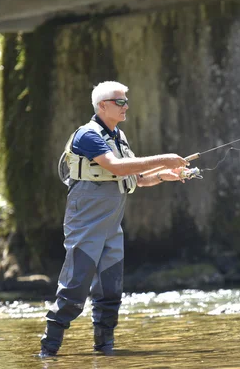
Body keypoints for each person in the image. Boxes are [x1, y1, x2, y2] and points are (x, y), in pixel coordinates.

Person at [39, 81, 190, 357]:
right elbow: (116, 166)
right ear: (102, 106)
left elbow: (134, 178)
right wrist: (166, 158)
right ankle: (48, 351)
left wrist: (162, 174)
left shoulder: (118, 136)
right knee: (74, 289)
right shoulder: (87, 135)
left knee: (111, 292)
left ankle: (104, 350)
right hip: (86, 223)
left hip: (112, 226)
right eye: (120, 102)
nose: (126, 106)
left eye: (125, 101)